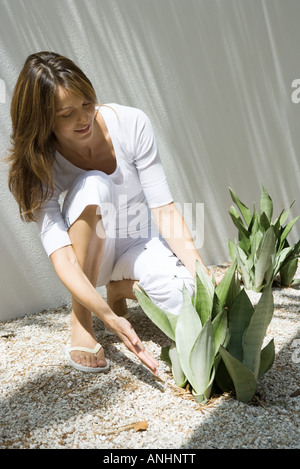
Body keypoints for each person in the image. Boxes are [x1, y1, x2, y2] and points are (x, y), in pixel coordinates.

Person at [7, 51, 215, 377]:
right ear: (43, 119)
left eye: (88, 103)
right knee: (93, 185)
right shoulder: (40, 164)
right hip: (92, 257)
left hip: (138, 239)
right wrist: (106, 316)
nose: (84, 118)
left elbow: (164, 209)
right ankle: (81, 319)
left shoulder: (131, 123)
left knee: (187, 301)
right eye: (67, 113)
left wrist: (203, 275)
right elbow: (61, 255)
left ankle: (121, 288)